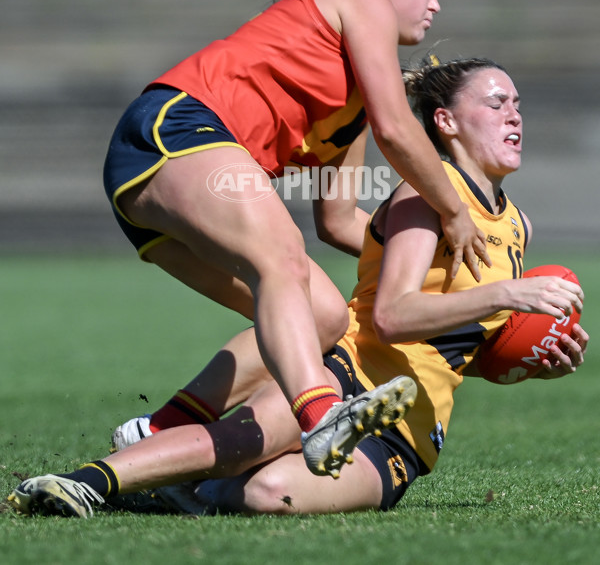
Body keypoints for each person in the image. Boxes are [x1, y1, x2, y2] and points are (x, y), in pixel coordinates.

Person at [8, 57, 587, 518]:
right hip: (351, 376)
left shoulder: (518, 226)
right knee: (244, 441)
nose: (515, 115)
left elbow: (456, 345)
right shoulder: (426, 196)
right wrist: (510, 296)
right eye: (496, 103)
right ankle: (88, 482)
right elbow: (394, 316)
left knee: (269, 494)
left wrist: (525, 358)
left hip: (410, 433)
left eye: (517, 104)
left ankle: (182, 479)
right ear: (446, 121)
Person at [96, 0, 491, 475]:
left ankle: (159, 431)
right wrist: (455, 212)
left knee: (324, 315)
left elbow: (338, 219)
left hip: (156, 186)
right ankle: (322, 414)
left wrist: (431, 262)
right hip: (173, 129)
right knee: (281, 256)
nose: (436, 3)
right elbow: (398, 130)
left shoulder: (348, 108)